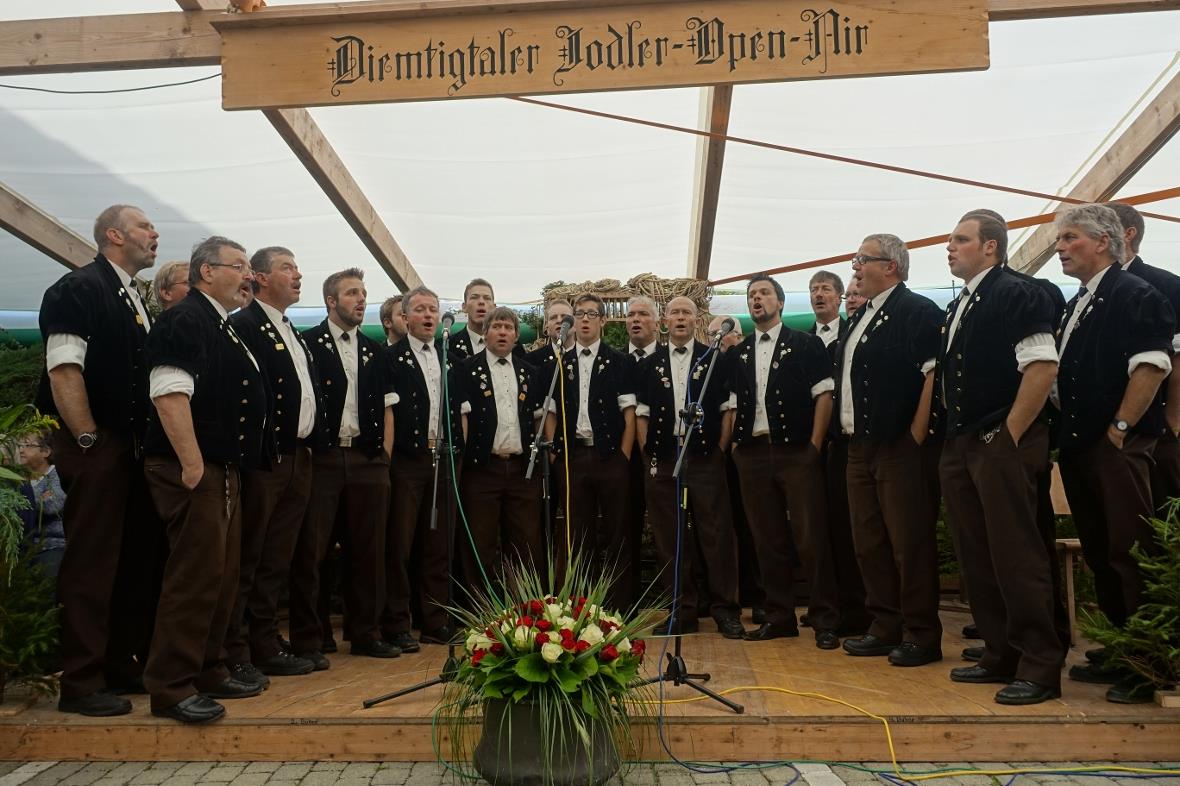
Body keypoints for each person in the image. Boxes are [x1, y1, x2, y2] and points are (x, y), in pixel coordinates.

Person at [936, 212, 1064, 705]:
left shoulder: (1018, 292)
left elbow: (1043, 365)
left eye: (960, 240)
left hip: (1000, 438)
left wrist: (1009, 435)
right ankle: (999, 651)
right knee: (976, 552)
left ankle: (1039, 663)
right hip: (962, 442)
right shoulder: (961, 303)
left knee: (1016, 552)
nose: (950, 247)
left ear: (990, 247)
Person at [38, 203, 159, 717]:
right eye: (144, 227)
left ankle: (118, 663)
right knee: (91, 562)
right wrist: (86, 439)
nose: (155, 234)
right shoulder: (79, 288)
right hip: (98, 446)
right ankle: (81, 681)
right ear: (113, 234)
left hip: (127, 447)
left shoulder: (131, 294)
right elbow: (64, 368)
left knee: (131, 560)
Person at [142, 236, 269, 723]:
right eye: (239, 266)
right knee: (193, 578)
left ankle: (210, 668)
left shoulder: (219, 322)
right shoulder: (186, 317)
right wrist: (193, 465)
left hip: (222, 468)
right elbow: (169, 392)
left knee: (221, 576)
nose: (248, 275)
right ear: (206, 271)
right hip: (193, 469)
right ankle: (171, 687)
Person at [1053, 203, 1175, 704]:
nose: (1060, 247)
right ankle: (1119, 648)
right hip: (1082, 445)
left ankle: (1146, 663)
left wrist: (1121, 428)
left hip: (1115, 445)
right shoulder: (1081, 298)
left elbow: (1152, 364)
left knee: (1130, 550)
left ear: (1103, 242)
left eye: (1070, 238)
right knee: (1102, 551)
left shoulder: (1135, 293)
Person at [837, 235, 942, 662]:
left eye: (863, 259)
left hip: (899, 445)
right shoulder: (862, 316)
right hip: (859, 444)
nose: (856, 267)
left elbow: (933, 375)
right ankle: (885, 624)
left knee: (908, 542)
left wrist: (916, 434)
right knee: (869, 540)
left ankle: (921, 633)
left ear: (891, 266)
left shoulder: (916, 311)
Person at [293, 268, 399, 666]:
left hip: (368, 458)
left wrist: (384, 458)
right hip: (321, 458)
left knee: (369, 550)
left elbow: (389, 407)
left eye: (364, 293)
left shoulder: (375, 350)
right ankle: (312, 636)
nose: (360, 299)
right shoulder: (308, 344)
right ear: (331, 301)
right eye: (352, 292)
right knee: (313, 550)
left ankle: (365, 633)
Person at [224, 247, 320, 687]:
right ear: (260, 278)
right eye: (287, 267)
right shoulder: (244, 325)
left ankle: (265, 642)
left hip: (298, 456)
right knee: (252, 555)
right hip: (266, 459)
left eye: (297, 268)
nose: (298, 275)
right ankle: (237, 649)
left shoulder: (288, 327)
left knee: (277, 558)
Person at [727, 274, 834, 642]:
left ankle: (824, 618)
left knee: (810, 536)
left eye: (765, 293)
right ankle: (779, 616)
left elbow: (824, 396)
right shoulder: (738, 353)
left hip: (795, 451)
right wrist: (736, 449)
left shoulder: (805, 344)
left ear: (781, 302)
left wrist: (815, 446)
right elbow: (732, 403)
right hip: (753, 453)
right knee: (766, 539)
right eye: (752, 295)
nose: (757, 299)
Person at [635, 296, 743, 637]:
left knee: (716, 532)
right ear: (665, 321)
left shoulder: (715, 360)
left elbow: (729, 410)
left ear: (697, 320)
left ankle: (726, 609)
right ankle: (681, 610)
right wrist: (650, 453)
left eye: (687, 313)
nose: (680, 318)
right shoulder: (648, 365)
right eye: (674, 313)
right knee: (670, 537)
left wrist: (718, 451)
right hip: (665, 459)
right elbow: (641, 415)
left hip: (704, 457)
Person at [385, 286, 465, 646]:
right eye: (420, 309)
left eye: (433, 309)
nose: (429, 315)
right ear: (405, 317)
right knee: (401, 543)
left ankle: (436, 619)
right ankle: (398, 622)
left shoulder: (449, 357)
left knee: (439, 544)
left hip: (443, 458)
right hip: (408, 459)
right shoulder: (392, 358)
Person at [550, 293, 637, 609]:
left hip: (610, 456)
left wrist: (624, 456)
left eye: (591, 314)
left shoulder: (619, 361)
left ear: (602, 320)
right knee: (578, 534)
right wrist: (555, 455)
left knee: (617, 531)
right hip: (573, 457)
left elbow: (629, 412)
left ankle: (618, 605)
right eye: (579, 314)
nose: (585, 319)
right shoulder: (561, 361)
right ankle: (582, 603)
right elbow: (550, 413)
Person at [456, 306, 548, 583]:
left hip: (522, 470)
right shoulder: (466, 370)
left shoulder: (530, 372)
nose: (503, 332)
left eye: (508, 328)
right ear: (485, 334)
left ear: (516, 336)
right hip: (483, 469)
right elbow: (463, 419)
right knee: (480, 541)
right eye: (497, 327)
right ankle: (479, 612)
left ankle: (525, 610)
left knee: (525, 542)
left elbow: (536, 420)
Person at [1106, 202, 1180, 511]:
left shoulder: (1164, 284)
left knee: (1163, 513)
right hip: (1112, 424)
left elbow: (1177, 358)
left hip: (1158, 425)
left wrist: (1173, 421)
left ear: (1128, 234)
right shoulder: (1089, 290)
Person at [709, 314, 765, 624]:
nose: (722, 338)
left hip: (743, 451)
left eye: (727, 332)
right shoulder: (708, 366)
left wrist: (726, 447)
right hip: (716, 458)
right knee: (720, 528)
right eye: (714, 333)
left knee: (749, 526)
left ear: (739, 336)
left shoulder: (746, 359)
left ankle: (757, 596)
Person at [624, 296, 661, 607]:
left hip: (660, 456)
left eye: (643, 314)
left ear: (656, 322)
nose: (636, 319)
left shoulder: (667, 357)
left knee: (666, 525)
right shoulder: (618, 361)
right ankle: (628, 596)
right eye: (631, 314)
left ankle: (674, 595)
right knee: (626, 525)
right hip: (623, 461)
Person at [17, 432, 67, 579]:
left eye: (28, 445)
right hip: (23, 548)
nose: (21, 450)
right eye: (20, 445)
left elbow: (53, 505)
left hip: (53, 545)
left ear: (46, 451)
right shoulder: (19, 479)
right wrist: (39, 498)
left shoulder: (58, 475)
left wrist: (24, 502)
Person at [451, 278, 495, 358]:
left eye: (487, 298)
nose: (481, 302)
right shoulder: (447, 346)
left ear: (494, 308)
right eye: (474, 297)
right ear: (464, 307)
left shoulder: (510, 345)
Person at [808, 270, 846, 361]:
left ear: (839, 298)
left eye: (826, 289)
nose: (818, 294)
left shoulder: (851, 333)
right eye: (814, 290)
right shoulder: (802, 341)